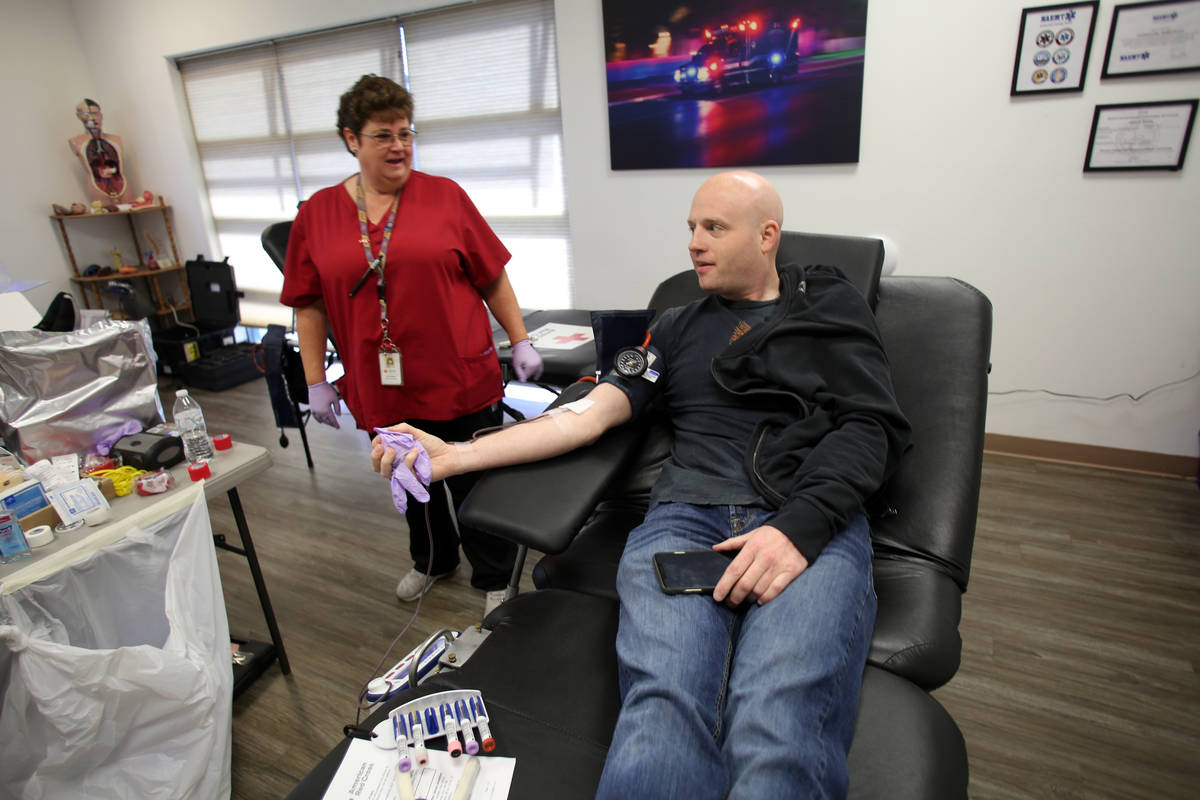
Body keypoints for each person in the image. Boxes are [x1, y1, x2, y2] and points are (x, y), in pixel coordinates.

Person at [371, 171, 911, 798]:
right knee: (663, 705)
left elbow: (873, 424)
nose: (694, 243)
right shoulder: (677, 326)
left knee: (779, 717)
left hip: (804, 516)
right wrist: (455, 456)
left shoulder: (827, 304)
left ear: (767, 236)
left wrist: (799, 526)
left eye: (714, 227)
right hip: (685, 522)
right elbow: (587, 414)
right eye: (690, 228)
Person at [280, 74, 544, 614]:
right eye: (383, 134)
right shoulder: (318, 215)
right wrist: (314, 380)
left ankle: (495, 574)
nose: (399, 145)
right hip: (382, 382)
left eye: (406, 132)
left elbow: (492, 276)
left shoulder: (445, 197)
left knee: (472, 476)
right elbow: (308, 303)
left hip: (458, 374)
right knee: (407, 473)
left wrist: (519, 340)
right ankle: (432, 559)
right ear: (351, 139)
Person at [67, 99, 129, 205]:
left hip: (122, 184)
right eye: (86, 114)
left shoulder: (116, 140)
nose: (92, 118)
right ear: (79, 117)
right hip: (97, 186)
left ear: (101, 115)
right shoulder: (75, 142)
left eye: (95, 113)